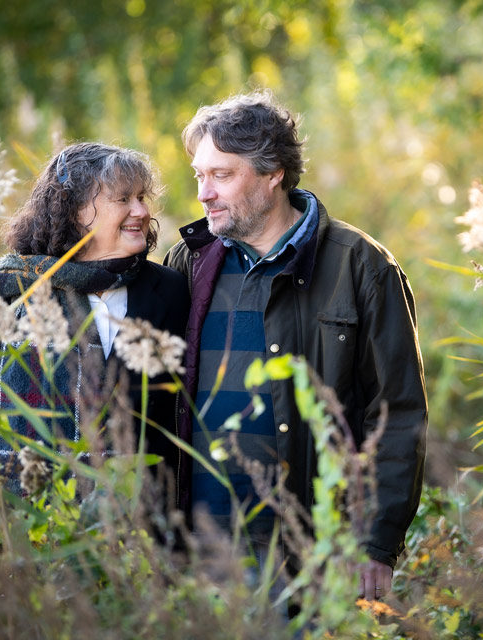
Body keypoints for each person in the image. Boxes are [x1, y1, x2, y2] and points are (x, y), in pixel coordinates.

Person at [164, 91, 426, 600]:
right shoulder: (189, 263)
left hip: (310, 551)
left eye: (222, 175)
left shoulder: (360, 266)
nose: (204, 193)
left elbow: (397, 414)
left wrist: (376, 543)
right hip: (197, 549)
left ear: (272, 173)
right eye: (199, 174)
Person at [0, 142, 190, 506]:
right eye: (123, 199)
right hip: (27, 531)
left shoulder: (172, 291)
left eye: (142, 197)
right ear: (74, 212)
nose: (142, 211)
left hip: (145, 533)